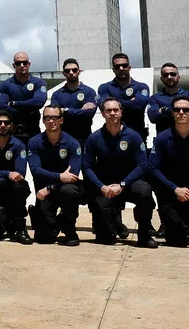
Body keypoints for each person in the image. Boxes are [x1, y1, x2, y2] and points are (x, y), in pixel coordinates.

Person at [83, 98, 157, 248]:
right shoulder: (95, 138)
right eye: (108, 110)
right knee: (105, 239)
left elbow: (143, 165)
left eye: (115, 110)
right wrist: (101, 186)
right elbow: (86, 166)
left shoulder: (133, 136)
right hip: (106, 187)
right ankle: (115, 225)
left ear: (121, 112)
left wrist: (123, 184)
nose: (112, 113)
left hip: (129, 184)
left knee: (144, 191)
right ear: (103, 113)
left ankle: (144, 235)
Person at [27, 105, 83, 246]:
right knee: (44, 238)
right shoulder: (34, 142)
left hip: (63, 188)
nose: (51, 121)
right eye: (47, 118)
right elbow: (35, 170)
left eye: (55, 117)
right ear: (43, 120)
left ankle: (70, 229)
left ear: (61, 120)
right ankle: (51, 219)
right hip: (43, 191)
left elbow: (72, 176)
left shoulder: (72, 143)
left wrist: (51, 186)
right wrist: (59, 177)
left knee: (69, 191)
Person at [0, 110, 32, 245]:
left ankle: (21, 229)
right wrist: (6, 174)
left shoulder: (19, 145)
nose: (2, 125)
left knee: (19, 186)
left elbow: (20, 173)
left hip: (15, 190)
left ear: (11, 125)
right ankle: (7, 223)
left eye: (6, 122)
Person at [150, 96, 189, 247]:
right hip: (170, 193)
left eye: (186, 109)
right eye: (177, 109)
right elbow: (153, 168)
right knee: (177, 240)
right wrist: (175, 189)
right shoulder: (163, 138)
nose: (181, 112)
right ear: (172, 113)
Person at [0, 52, 47, 146]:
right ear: (14, 65)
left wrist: (14, 103)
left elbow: (39, 102)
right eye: (18, 63)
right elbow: (1, 106)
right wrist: (29, 110)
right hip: (12, 134)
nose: (22, 65)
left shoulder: (39, 83)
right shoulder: (5, 84)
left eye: (25, 63)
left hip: (33, 132)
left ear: (29, 64)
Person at [98, 53, 150, 143]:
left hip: (137, 136)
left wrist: (113, 102)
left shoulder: (141, 87)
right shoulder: (104, 88)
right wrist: (130, 102)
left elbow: (139, 105)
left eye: (124, 65)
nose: (121, 68)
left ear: (129, 67)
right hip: (112, 137)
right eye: (117, 66)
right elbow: (103, 106)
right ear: (113, 69)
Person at [50, 58, 97, 149]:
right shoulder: (57, 94)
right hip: (63, 140)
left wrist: (65, 110)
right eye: (67, 71)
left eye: (74, 70)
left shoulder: (89, 92)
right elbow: (55, 115)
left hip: (84, 139)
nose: (71, 73)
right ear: (63, 73)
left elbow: (89, 114)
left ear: (79, 71)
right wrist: (81, 111)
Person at [147, 63, 187, 136]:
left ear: (179, 77)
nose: (169, 77)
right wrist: (182, 110)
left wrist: (163, 110)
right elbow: (153, 117)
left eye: (173, 74)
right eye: (165, 75)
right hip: (164, 140)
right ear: (161, 79)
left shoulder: (187, 95)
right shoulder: (154, 98)